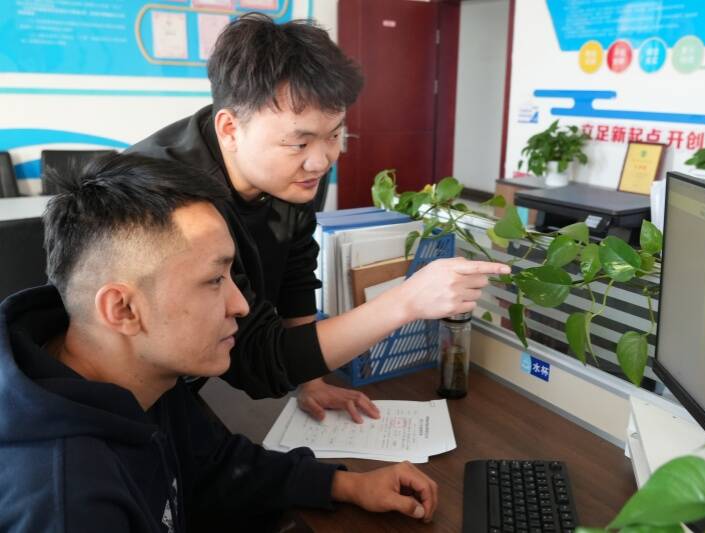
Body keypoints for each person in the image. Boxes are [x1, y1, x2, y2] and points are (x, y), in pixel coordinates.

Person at [0, 154, 439, 532]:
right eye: (214, 280)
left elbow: (212, 464)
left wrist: (345, 484)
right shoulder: (66, 502)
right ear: (124, 309)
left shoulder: (143, 374)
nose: (240, 305)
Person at [128, 13, 509, 422]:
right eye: (300, 142)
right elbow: (256, 362)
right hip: (129, 394)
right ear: (230, 129)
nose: (322, 160)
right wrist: (407, 301)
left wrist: (311, 381)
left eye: (334, 134)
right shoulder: (169, 202)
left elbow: (296, 270)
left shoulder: (295, 174)